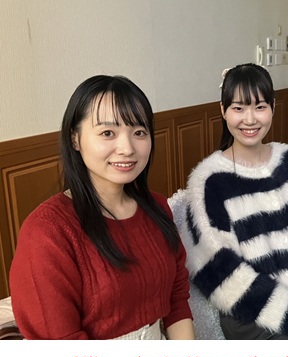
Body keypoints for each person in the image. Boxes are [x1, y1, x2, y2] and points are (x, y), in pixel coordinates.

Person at [179, 63, 288, 340]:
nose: (250, 119)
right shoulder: (209, 180)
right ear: (223, 110)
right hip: (251, 314)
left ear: (273, 107)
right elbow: (218, 271)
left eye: (260, 107)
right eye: (238, 108)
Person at [9, 75, 195, 340]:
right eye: (108, 133)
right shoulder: (47, 231)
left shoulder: (157, 207)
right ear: (75, 139)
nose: (127, 148)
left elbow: (176, 299)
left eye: (139, 132)